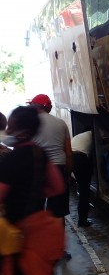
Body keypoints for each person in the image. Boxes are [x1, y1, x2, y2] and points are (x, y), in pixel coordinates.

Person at [0, 106, 85, 275]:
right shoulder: (39, 153)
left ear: (21, 129)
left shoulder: (11, 160)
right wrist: (33, 191)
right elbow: (56, 187)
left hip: (24, 236)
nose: (7, 127)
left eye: (11, 124)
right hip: (44, 230)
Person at [28, 94, 73, 259]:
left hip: (37, 170)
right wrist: (68, 174)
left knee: (36, 212)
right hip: (59, 169)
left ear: (36, 106)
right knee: (57, 213)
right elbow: (68, 153)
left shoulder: (31, 123)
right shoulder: (61, 124)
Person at [71, 129, 93, 227]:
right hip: (80, 158)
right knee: (85, 192)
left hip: (72, 157)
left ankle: (82, 219)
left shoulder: (80, 135)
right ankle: (82, 221)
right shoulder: (93, 134)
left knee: (82, 189)